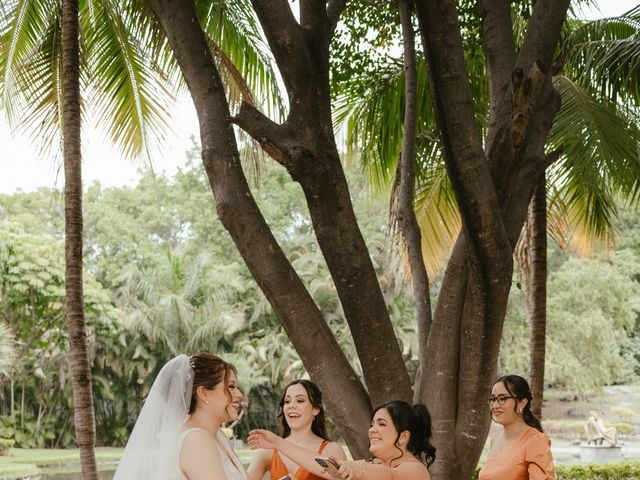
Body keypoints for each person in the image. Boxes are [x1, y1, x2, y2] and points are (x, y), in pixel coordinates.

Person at [113, 353, 247, 480]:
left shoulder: (217, 435)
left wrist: (264, 455)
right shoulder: (197, 440)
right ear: (203, 393)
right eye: (231, 387)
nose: (239, 395)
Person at [248, 399, 435, 480]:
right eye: (372, 424)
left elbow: (389, 477)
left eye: (381, 424)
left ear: (403, 436)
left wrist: (354, 469)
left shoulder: (414, 470)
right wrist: (277, 443)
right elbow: (323, 467)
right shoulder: (377, 463)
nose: (372, 430)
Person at [247, 379, 346, 480]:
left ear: (315, 410)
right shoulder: (268, 451)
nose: (291, 406)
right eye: (287, 401)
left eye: (300, 400)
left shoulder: (332, 450)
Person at [478, 374, 554, 480]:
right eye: (493, 399)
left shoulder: (535, 441)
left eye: (502, 398)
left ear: (522, 403)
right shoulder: (495, 439)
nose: (495, 405)